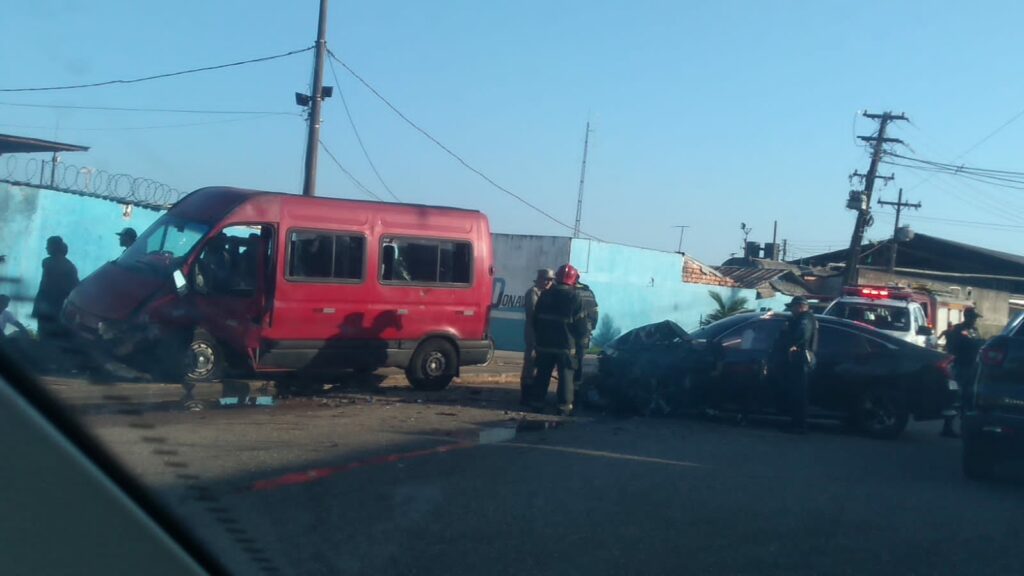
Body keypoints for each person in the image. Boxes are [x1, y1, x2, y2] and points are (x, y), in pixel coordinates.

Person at [529, 264, 589, 416]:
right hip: (565, 346)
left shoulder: (545, 295)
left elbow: (535, 320)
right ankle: (563, 407)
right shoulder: (575, 297)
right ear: (574, 279)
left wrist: (539, 338)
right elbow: (581, 325)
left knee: (542, 375)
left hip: (544, 344)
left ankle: (536, 403)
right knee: (566, 377)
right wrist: (581, 342)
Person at [774, 295, 818, 434]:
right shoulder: (802, 318)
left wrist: (791, 342)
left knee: (799, 393)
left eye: (793, 307)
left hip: (802, 358)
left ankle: (799, 425)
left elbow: (801, 335)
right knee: (796, 392)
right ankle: (796, 423)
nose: (791, 310)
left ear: (800, 307)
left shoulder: (805, 318)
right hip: (801, 357)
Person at [941, 307, 985, 438]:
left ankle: (963, 427)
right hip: (960, 366)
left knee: (967, 398)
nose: (974, 320)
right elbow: (959, 345)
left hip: (971, 366)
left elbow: (978, 344)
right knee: (956, 397)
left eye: (975, 318)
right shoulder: (959, 330)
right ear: (968, 317)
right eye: (973, 318)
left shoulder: (973, 330)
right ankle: (948, 427)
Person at [32, 236, 79, 343]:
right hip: (58, 305)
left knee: (45, 335)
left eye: (48, 245)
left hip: (48, 304)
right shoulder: (69, 265)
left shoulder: (48, 262)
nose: (46, 248)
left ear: (54, 247)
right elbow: (75, 286)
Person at [520, 268, 555, 403]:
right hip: (533, 334)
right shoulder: (533, 292)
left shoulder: (549, 294)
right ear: (539, 279)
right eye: (545, 279)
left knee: (539, 365)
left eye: (550, 280)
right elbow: (534, 314)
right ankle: (526, 395)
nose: (547, 282)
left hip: (544, 335)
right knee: (530, 363)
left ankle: (535, 394)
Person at [574, 279, 600, 391]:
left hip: (570, 334)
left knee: (567, 364)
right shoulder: (589, 292)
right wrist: (591, 328)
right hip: (585, 333)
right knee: (579, 361)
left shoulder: (570, 292)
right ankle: (577, 390)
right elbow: (595, 313)